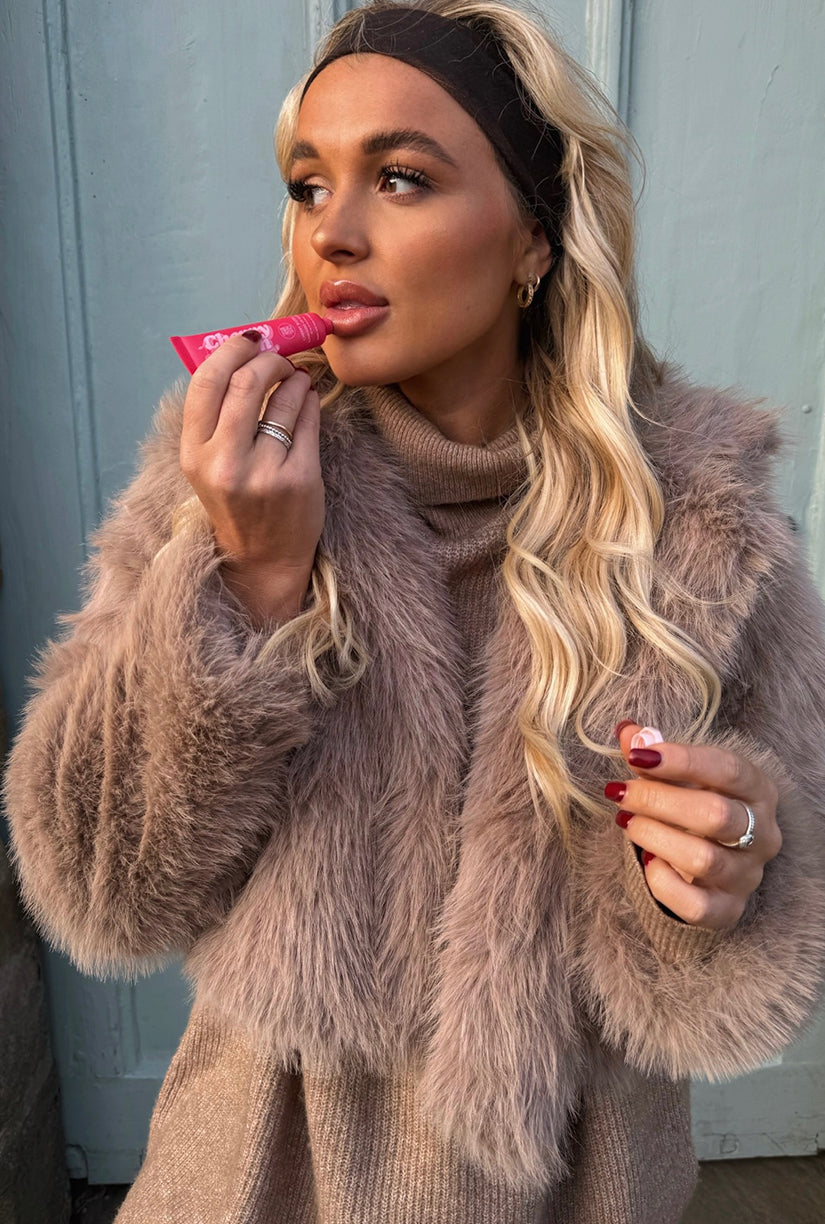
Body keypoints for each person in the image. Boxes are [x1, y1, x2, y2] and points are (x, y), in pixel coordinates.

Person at [5, 1, 825, 1220]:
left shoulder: (704, 529)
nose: (331, 232)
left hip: (577, 1179)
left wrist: (717, 874)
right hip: (270, 1169)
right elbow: (100, 883)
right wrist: (252, 583)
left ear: (535, 237)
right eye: (306, 185)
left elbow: (766, 934)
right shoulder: (221, 481)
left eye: (399, 177)